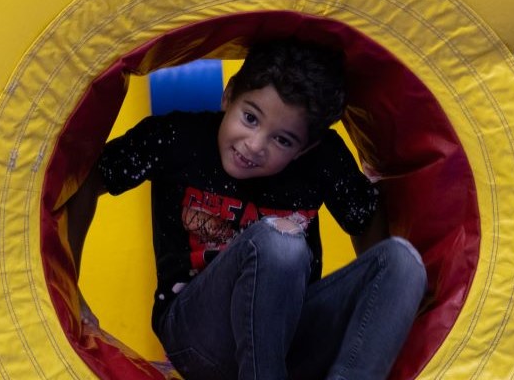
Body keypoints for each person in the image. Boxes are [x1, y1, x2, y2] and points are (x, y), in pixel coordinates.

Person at [65, 39, 427, 380]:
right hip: (200, 339)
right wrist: (71, 287)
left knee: (401, 261)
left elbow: (365, 218)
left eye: (282, 140)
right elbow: (85, 177)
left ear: (304, 148)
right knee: (279, 244)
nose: (254, 146)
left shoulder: (323, 160)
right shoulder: (178, 137)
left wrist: (367, 309)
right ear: (229, 94)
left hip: (288, 335)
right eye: (250, 118)